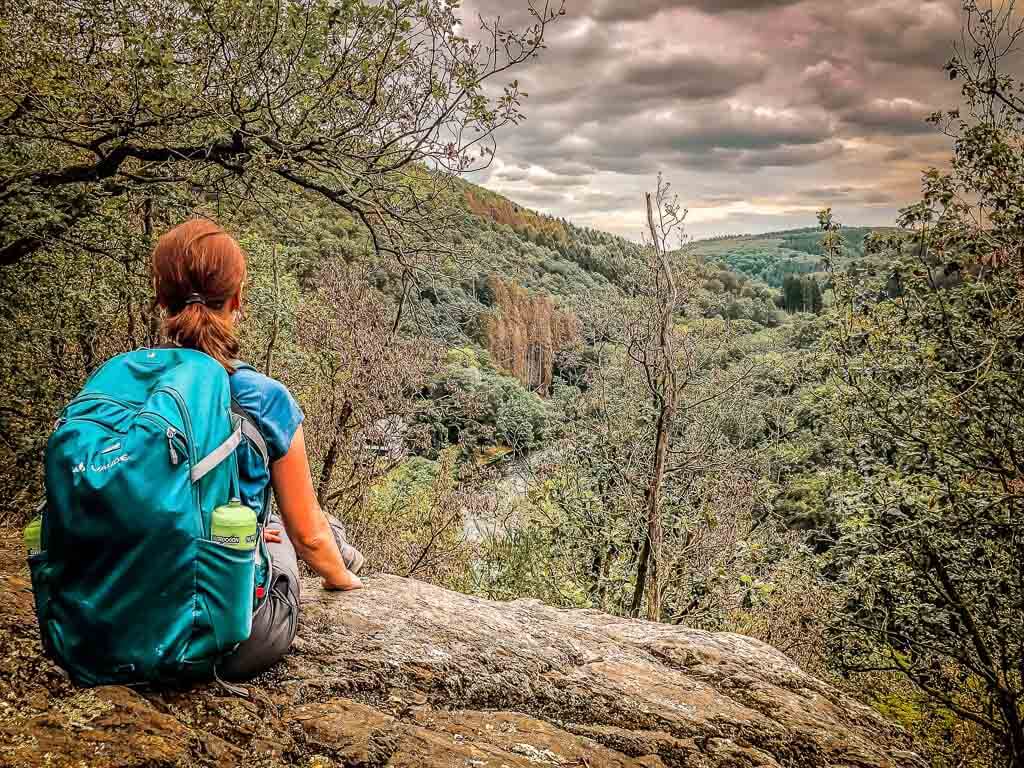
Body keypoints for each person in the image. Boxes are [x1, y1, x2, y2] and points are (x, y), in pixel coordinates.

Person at [151, 218, 363, 680]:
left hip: (115, 616)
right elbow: (308, 537)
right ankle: (344, 552)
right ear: (237, 300)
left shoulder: (131, 384)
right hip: (221, 640)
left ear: (162, 299)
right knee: (293, 528)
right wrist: (343, 581)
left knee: (273, 525)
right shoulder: (263, 397)